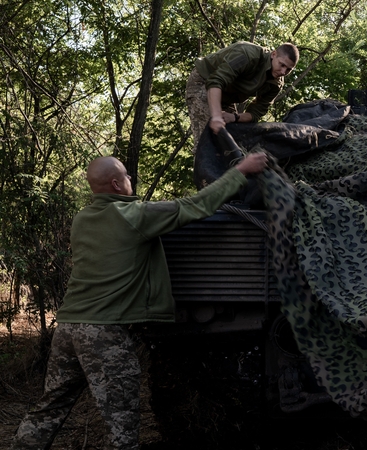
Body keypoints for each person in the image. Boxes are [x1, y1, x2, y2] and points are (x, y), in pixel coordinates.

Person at [11, 152, 269, 450]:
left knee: (50, 406)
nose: (131, 178)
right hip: (103, 333)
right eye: (126, 175)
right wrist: (241, 171)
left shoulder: (82, 219)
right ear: (117, 184)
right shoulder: (134, 217)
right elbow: (195, 205)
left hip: (68, 326)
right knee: (121, 422)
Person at [185, 41, 300, 146]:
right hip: (204, 81)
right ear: (273, 54)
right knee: (208, 141)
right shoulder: (248, 54)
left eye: (288, 69)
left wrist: (234, 117)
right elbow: (216, 81)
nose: (283, 72)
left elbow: (255, 113)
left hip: (227, 96)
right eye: (282, 65)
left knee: (234, 141)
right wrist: (216, 117)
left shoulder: (276, 85)